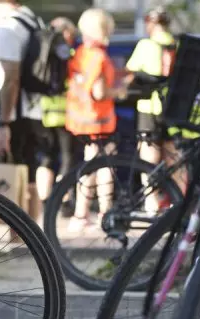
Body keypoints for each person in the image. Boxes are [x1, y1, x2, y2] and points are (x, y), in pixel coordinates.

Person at [66, 8, 127, 230]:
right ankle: (104, 212)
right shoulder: (100, 56)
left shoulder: (81, 53)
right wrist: (120, 92)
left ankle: (80, 215)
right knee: (105, 167)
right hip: (101, 120)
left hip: (81, 119)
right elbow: (100, 93)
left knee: (89, 164)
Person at [0, 0, 46, 220]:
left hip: (11, 115)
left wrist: (4, 125)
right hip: (33, 111)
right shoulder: (33, 21)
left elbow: (11, 78)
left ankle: (16, 237)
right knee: (29, 176)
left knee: (11, 177)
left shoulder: (9, 28)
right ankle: (30, 240)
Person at [125, 7, 180, 212]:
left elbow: (130, 74)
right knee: (173, 154)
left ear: (151, 23)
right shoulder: (177, 44)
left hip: (149, 107)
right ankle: (178, 202)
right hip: (172, 107)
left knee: (149, 156)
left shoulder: (145, 44)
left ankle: (152, 203)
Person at [37, 17, 79, 216]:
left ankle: (44, 201)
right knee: (66, 158)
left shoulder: (42, 47)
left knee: (45, 158)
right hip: (64, 114)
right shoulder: (66, 53)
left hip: (44, 112)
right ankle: (63, 202)